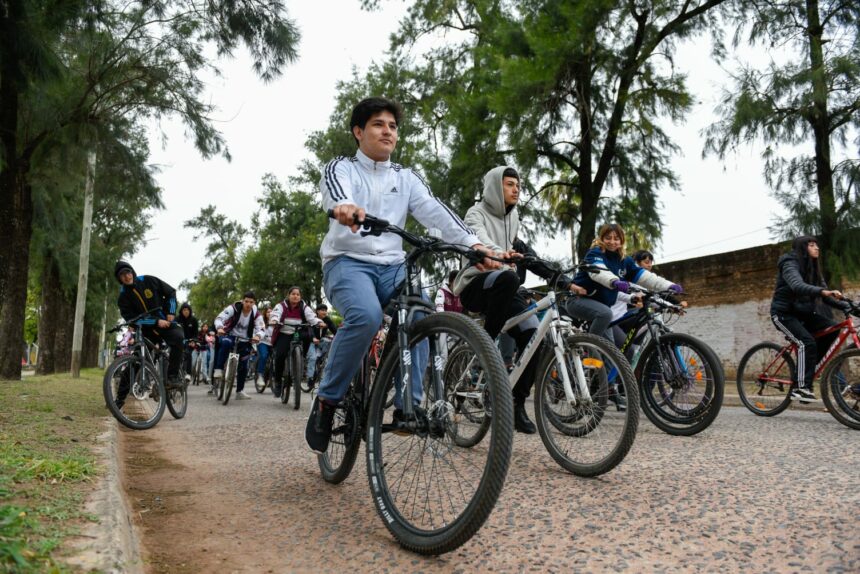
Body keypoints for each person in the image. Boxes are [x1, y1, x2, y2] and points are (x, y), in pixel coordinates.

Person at [305, 96, 494, 454]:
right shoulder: (341, 168)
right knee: (365, 316)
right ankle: (327, 402)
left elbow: (436, 213)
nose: (387, 131)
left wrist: (474, 245)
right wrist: (343, 206)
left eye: (393, 126)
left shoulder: (405, 178)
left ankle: (410, 404)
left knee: (421, 312)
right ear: (358, 132)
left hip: (393, 266)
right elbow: (334, 192)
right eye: (378, 124)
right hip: (347, 262)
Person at [452, 166, 585, 434]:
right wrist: (501, 254)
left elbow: (528, 255)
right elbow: (480, 238)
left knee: (536, 338)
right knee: (510, 279)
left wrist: (564, 281)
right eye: (509, 184)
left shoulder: (513, 220)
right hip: (477, 284)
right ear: (494, 187)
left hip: (505, 285)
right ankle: (486, 344)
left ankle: (516, 404)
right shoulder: (475, 213)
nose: (516, 189)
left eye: (518, 186)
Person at [567, 224, 681, 410]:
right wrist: (615, 282)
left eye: (616, 238)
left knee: (622, 351)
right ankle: (589, 349)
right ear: (601, 238)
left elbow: (644, 276)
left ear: (622, 241)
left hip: (604, 312)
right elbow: (599, 273)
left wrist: (669, 286)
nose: (612, 241)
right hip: (578, 301)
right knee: (606, 313)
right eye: (608, 237)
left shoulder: (623, 260)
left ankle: (605, 387)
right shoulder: (594, 254)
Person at [770, 235, 849, 402]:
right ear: (802, 248)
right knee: (806, 342)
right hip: (783, 314)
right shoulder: (790, 263)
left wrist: (848, 306)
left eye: (817, 245)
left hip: (803, 313)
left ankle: (809, 371)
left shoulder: (813, 269)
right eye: (812, 245)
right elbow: (797, 285)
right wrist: (821, 291)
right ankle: (801, 387)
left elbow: (827, 297)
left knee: (833, 328)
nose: (817, 248)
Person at [114, 260, 184, 389]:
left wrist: (171, 312)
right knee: (135, 362)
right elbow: (133, 320)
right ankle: (118, 400)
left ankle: (172, 377)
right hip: (146, 331)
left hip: (166, 324)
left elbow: (171, 292)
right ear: (119, 279)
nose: (126, 276)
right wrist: (156, 322)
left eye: (128, 272)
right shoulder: (123, 297)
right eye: (122, 275)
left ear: (132, 272)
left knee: (179, 338)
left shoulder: (148, 280)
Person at [269, 287, 321, 398]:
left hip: (297, 332)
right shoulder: (281, 306)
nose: (295, 296)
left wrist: (318, 322)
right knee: (280, 355)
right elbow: (275, 314)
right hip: (284, 333)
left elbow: (312, 317)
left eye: (298, 294)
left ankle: (301, 356)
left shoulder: (304, 306)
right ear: (289, 295)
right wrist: (274, 320)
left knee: (307, 336)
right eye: (293, 294)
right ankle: (278, 381)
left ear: (300, 296)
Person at [213, 292, 265, 400]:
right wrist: (219, 328)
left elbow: (261, 328)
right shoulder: (234, 308)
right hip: (229, 335)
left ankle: (239, 391)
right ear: (242, 301)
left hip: (245, 339)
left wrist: (258, 336)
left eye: (251, 302)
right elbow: (219, 318)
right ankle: (218, 369)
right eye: (246, 301)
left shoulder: (256, 313)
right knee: (225, 343)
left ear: (254, 303)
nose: (248, 304)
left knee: (244, 364)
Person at [306, 304, 338, 383]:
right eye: (322, 310)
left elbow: (334, 329)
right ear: (317, 311)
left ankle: (321, 360)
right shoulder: (312, 319)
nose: (324, 312)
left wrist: (338, 337)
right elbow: (309, 330)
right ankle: (310, 378)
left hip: (321, 341)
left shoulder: (327, 320)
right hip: (311, 341)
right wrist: (313, 338)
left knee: (327, 357)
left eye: (325, 310)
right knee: (312, 358)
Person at [176, 302, 199, 381]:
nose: (186, 311)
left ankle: (188, 373)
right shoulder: (177, 319)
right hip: (179, 341)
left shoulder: (194, 320)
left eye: (187, 310)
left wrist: (194, 341)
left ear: (190, 311)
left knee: (188, 353)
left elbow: (196, 334)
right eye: (184, 310)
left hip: (189, 342)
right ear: (181, 311)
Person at [255, 307, 273, 383]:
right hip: (263, 342)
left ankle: (273, 376)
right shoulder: (262, 321)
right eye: (268, 312)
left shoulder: (276, 322)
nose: (270, 313)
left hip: (273, 343)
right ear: (265, 313)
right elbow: (258, 330)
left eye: (271, 312)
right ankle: (260, 375)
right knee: (264, 355)